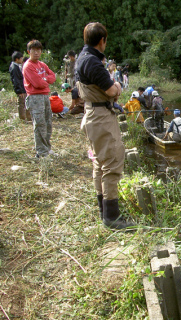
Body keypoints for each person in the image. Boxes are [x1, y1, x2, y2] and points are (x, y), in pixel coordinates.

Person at [76, 22, 133, 229]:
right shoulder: (92, 62)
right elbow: (111, 90)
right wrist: (118, 86)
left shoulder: (83, 58)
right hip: (101, 118)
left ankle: (104, 210)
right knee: (112, 162)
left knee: (99, 163)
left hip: (93, 115)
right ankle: (112, 217)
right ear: (102, 41)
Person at [22, 40, 57, 158]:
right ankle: (41, 152)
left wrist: (45, 80)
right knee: (39, 124)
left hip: (45, 96)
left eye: (38, 50)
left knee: (48, 122)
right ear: (28, 52)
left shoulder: (42, 64)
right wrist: (46, 80)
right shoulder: (28, 66)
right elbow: (37, 83)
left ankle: (47, 148)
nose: (36, 52)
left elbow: (53, 76)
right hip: (35, 97)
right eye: (34, 50)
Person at [9, 51, 29, 122]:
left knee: (26, 103)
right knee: (21, 104)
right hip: (20, 90)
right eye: (21, 58)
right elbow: (16, 81)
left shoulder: (16, 66)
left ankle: (28, 118)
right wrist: (19, 91)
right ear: (16, 59)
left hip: (23, 88)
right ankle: (22, 119)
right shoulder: (14, 68)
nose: (22, 60)